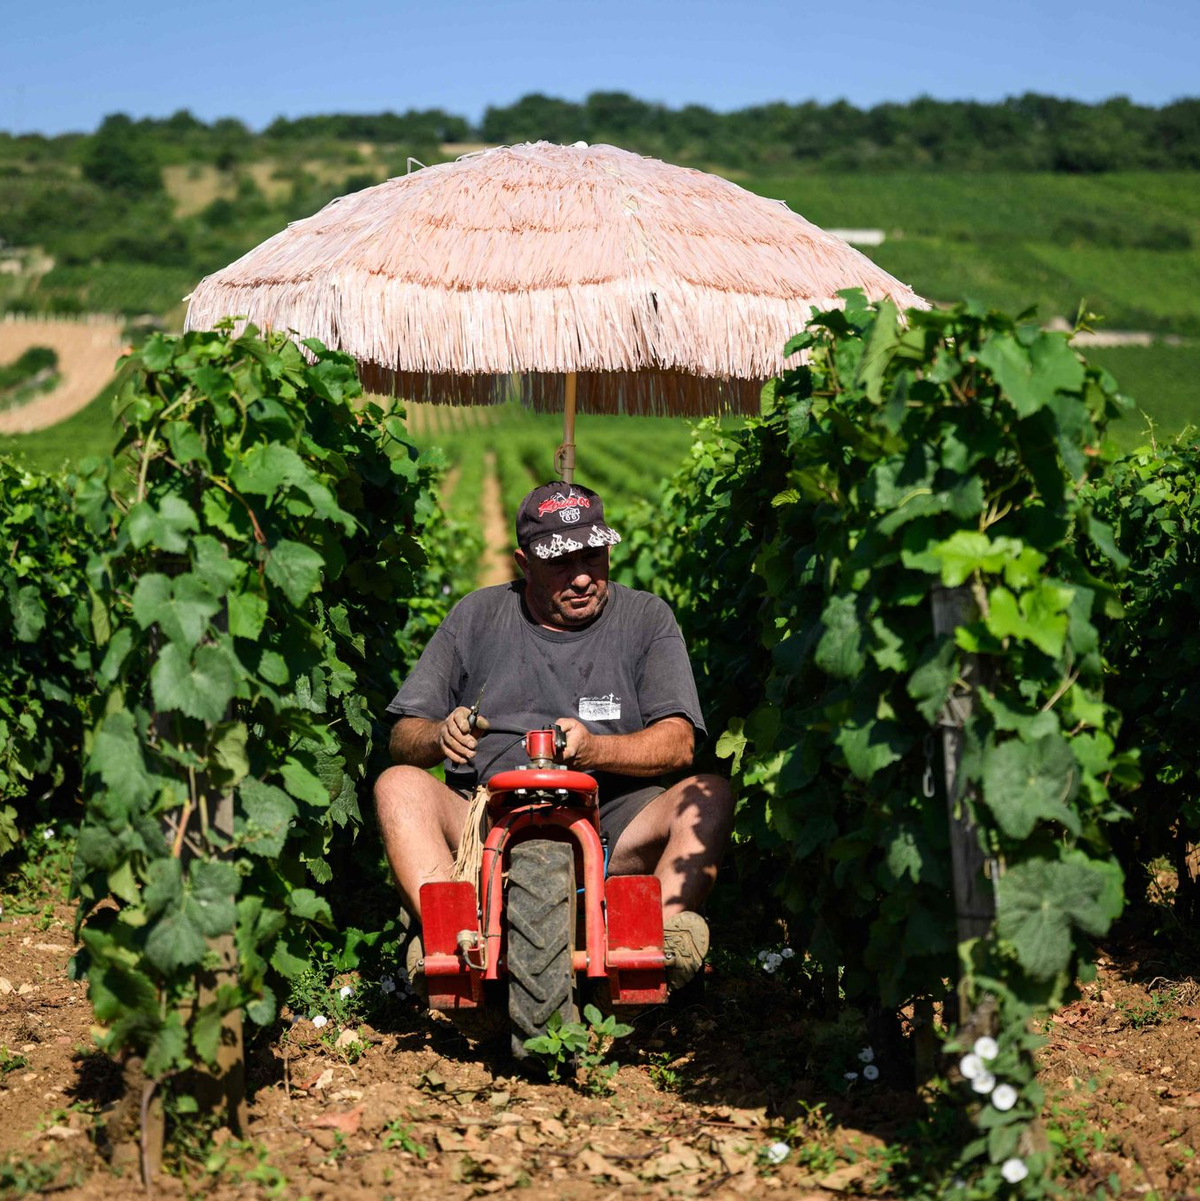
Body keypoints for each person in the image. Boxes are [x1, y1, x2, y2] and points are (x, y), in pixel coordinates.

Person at [374, 480, 734, 999]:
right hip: (484, 823)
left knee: (711, 796)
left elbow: (678, 742)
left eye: (594, 555)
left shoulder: (646, 619)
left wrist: (595, 750)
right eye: (561, 563)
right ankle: (448, 940)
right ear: (524, 563)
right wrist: (438, 734)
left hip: (615, 823)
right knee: (398, 786)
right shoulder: (476, 616)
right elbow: (404, 737)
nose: (583, 576)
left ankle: (655, 944)